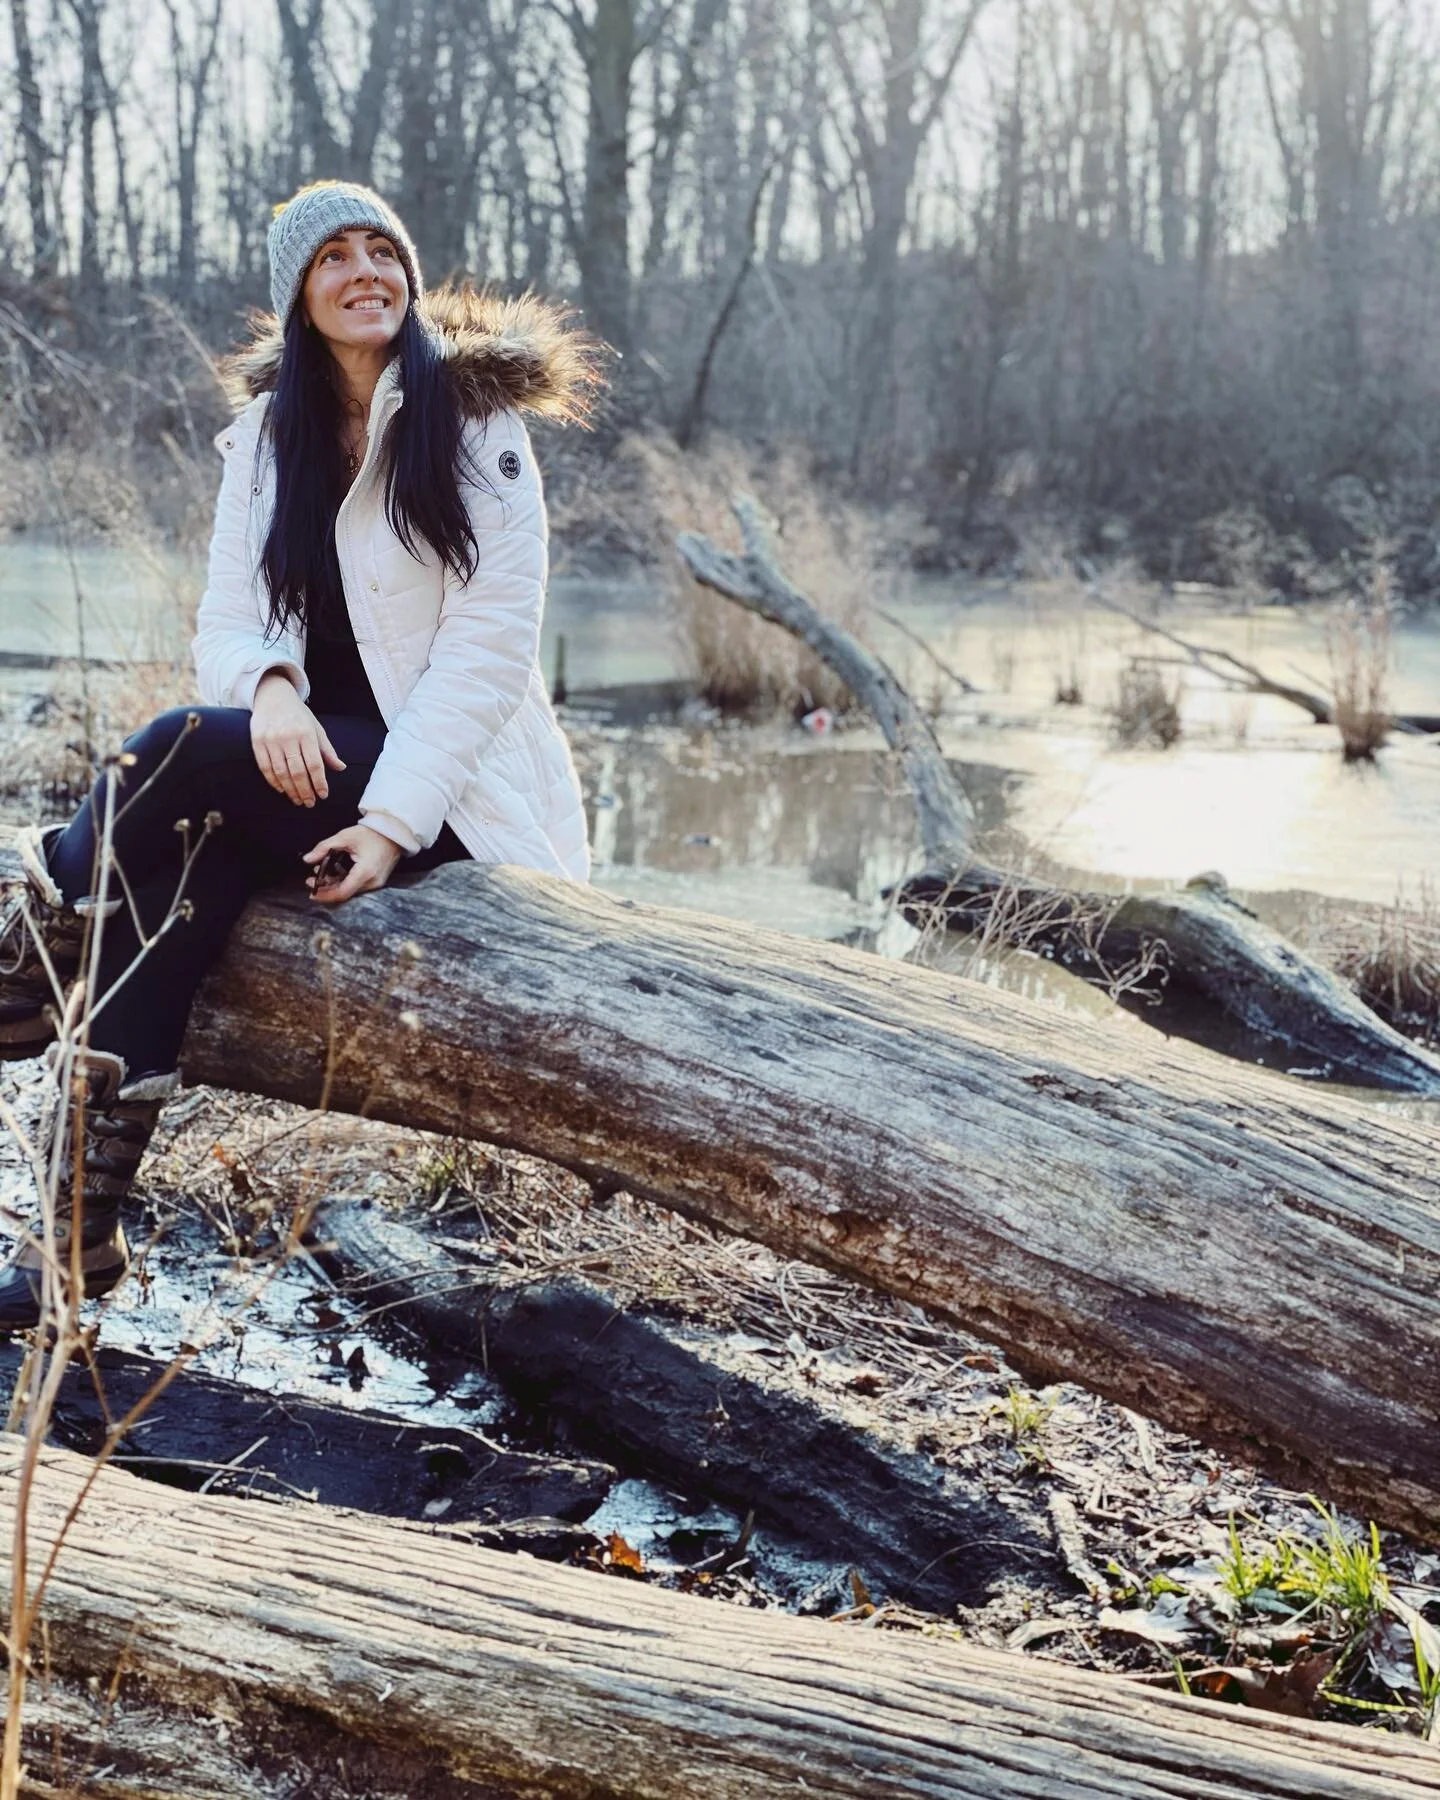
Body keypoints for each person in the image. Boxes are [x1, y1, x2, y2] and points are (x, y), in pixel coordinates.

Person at [0, 180, 600, 1330]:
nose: (368, 272)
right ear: (298, 295)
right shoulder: (267, 439)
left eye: (384, 251)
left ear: (409, 279)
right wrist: (271, 689)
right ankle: (72, 1247)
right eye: (337, 257)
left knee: (167, 750)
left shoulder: (475, 425)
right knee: (182, 877)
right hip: (306, 764)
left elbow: (485, 654)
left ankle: (27, 963)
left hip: (446, 787)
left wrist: (387, 827)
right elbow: (228, 619)